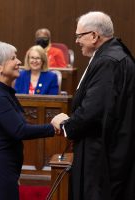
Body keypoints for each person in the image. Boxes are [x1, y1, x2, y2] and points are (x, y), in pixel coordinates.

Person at [51, 11, 135, 200]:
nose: (77, 41)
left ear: (94, 36)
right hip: (111, 150)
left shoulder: (108, 61)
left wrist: (66, 125)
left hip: (102, 157)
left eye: (79, 36)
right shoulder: (114, 54)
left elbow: (94, 111)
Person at [0, 41, 61, 200]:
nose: (19, 62)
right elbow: (19, 130)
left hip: (3, 165)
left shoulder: (2, 91)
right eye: (13, 58)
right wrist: (52, 126)